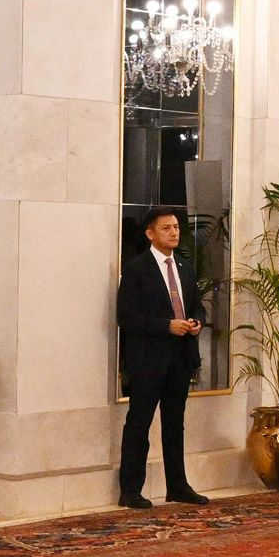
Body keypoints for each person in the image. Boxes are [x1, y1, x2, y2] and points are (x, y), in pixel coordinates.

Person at [116, 207, 209, 510]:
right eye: (166, 228)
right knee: (139, 422)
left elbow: (197, 306)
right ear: (150, 233)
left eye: (176, 227)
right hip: (148, 359)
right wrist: (166, 326)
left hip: (180, 357)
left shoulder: (184, 266)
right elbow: (127, 316)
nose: (174, 232)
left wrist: (197, 322)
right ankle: (131, 490)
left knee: (175, 423)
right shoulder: (137, 268)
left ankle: (177, 486)